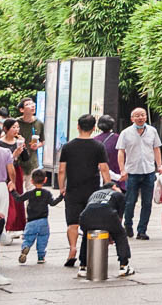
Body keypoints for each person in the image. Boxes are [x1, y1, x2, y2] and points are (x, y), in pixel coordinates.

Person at [55, 114, 112, 270]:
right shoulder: (98, 146)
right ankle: (87, 253)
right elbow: (104, 168)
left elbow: (61, 170)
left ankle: (72, 248)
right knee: (90, 222)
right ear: (94, 128)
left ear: (78, 127)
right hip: (92, 190)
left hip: (73, 189)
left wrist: (62, 188)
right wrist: (108, 186)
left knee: (72, 222)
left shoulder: (68, 146)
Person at [115, 108, 162, 242]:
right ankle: (128, 224)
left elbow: (156, 149)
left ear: (146, 117)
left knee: (147, 203)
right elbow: (121, 152)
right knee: (130, 201)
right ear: (132, 118)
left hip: (148, 171)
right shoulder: (126, 133)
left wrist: (159, 165)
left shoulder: (152, 131)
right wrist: (122, 169)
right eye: (137, 116)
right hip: (132, 172)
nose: (140, 118)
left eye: (142, 115)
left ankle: (142, 230)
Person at [73, 186, 133, 279]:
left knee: (87, 236)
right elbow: (119, 219)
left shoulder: (94, 194)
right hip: (107, 213)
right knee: (120, 235)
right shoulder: (118, 195)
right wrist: (112, 235)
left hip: (85, 216)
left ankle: (83, 267)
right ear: (113, 187)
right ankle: (124, 266)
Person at [16, 168, 61, 265]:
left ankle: (25, 247)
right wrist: (61, 196)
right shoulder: (47, 193)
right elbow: (53, 203)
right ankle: (41, 257)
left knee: (28, 237)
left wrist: (12, 191)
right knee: (43, 239)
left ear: (31, 181)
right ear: (45, 180)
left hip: (31, 222)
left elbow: (19, 199)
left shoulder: (30, 193)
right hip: (43, 221)